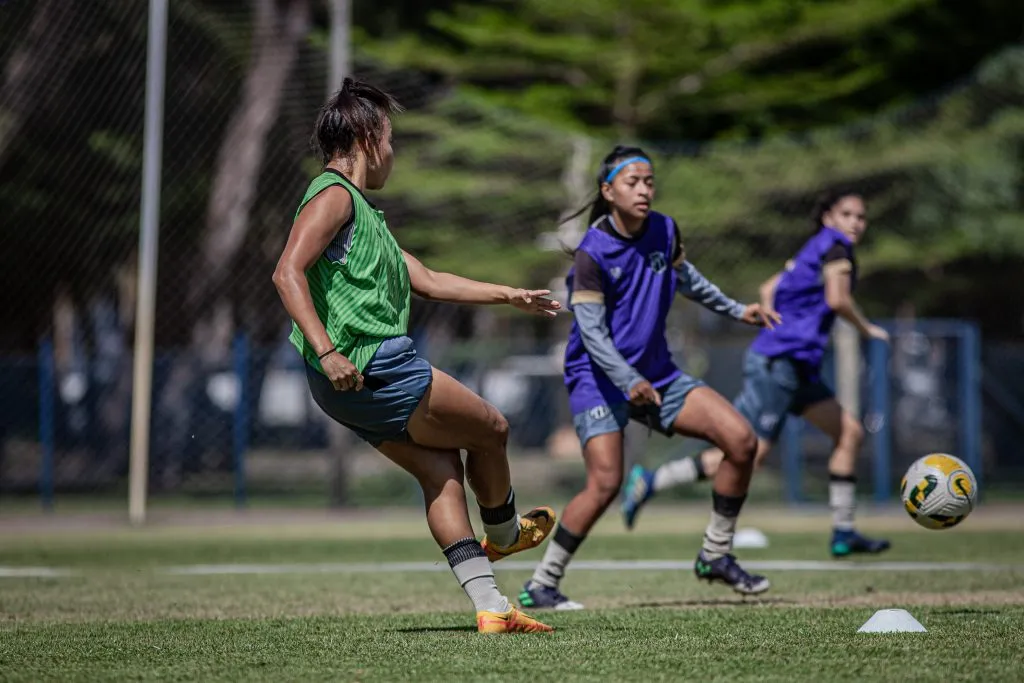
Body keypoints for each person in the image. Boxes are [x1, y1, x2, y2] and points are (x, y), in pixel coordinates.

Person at [273, 78, 562, 634]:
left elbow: (427, 278)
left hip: (343, 385)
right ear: (364, 138)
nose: (393, 154)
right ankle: (503, 533)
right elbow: (286, 271)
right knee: (492, 428)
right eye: (390, 139)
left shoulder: (365, 216)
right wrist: (328, 349)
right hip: (371, 363)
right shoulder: (334, 195)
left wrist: (509, 294)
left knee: (442, 473)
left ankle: (492, 608)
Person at [518, 146, 781, 611]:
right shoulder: (592, 253)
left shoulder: (664, 228)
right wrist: (626, 379)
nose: (643, 190)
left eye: (649, 181)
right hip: (597, 377)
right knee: (605, 483)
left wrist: (739, 309)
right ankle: (542, 583)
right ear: (607, 191)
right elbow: (593, 334)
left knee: (742, 441)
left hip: (657, 373)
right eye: (632, 182)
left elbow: (688, 279)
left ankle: (715, 555)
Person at [622, 190, 892, 559]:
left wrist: (775, 319)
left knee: (850, 433)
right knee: (747, 453)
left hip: (796, 365)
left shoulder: (815, 248)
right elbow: (837, 299)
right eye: (847, 214)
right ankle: (653, 481)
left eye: (861, 217)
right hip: (778, 364)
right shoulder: (837, 249)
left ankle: (843, 533)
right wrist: (866, 329)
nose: (855, 223)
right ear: (829, 218)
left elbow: (769, 287)